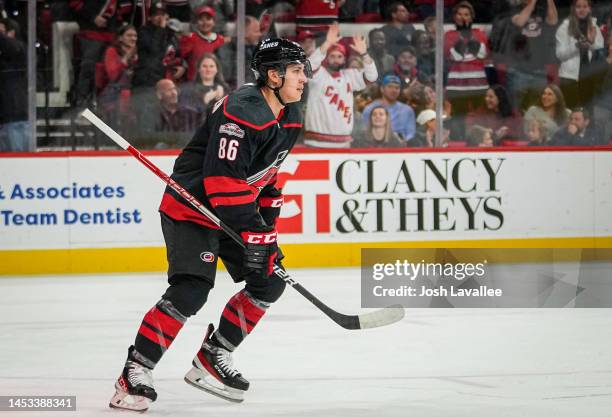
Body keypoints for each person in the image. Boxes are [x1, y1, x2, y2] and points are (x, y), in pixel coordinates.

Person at [108, 38, 310, 412]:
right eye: (297, 71)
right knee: (191, 290)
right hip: (192, 209)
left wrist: (267, 226)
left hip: (231, 211)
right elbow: (222, 182)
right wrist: (255, 230)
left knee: (270, 281)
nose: (304, 78)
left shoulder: (290, 113)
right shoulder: (243, 109)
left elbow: (264, 175)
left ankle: (212, 359)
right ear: (272, 75)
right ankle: (134, 371)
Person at [303, 23, 378, 148]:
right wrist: (327, 44)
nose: (336, 59)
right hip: (315, 141)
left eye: (339, 56)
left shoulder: (350, 76)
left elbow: (372, 76)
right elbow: (308, 66)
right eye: (332, 56)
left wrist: (364, 54)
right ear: (326, 58)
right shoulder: (318, 74)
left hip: (343, 142)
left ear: (344, 60)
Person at [490, 0, 559, 110]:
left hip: (538, 70)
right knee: (514, 108)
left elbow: (553, 20)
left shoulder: (541, 11)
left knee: (539, 108)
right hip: (518, 71)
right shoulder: (513, 10)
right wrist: (533, 2)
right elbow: (520, 22)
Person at [444, 1, 490, 141]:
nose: (463, 17)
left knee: (479, 117)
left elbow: (482, 54)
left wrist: (468, 40)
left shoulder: (480, 33)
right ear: (454, 17)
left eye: (466, 14)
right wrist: (468, 44)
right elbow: (455, 56)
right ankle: (458, 144)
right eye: (459, 14)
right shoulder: (449, 35)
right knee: (458, 118)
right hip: (456, 85)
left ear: (471, 17)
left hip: (479, 84)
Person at [556, 0, 604, 109]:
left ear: (589, 8)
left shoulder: (593, 26)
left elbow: (599, 46)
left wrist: (591, 42)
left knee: (588, 113)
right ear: (573, 8)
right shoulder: (564, 27)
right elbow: (560, 54)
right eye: (578, 6)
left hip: (587, 76)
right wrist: (576, 46)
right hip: (569, 77)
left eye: (585, 6)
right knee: (570, 113)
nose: (582, 9)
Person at [97, 24, 139, 135]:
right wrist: (126, 58)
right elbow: (113, 75)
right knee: (126, 95)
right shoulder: (112, 51)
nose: (133, 38)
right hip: (114, 91)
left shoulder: (139, 53)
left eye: (135, 36)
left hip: (135, 90)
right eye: (129, 35)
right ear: (120, 38)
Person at [0, 17, 28, 152]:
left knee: (18, 167)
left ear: (12, 33)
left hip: (15, 118)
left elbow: (11, 47)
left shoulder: (19, 49)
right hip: (5, 117)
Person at [363, 74, 416, 142]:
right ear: (382, 89)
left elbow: (410, 134)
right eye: (390, 87)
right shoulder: (370, 109)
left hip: (401, 148)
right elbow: (366, 133)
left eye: (397, 88)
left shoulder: (407, 110)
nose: (394, 90)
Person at [180, 5, 226, 81]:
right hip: (195, 82)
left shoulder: (220, 39)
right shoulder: (190, 38)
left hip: (215, 82)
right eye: (201, 19)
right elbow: (181, 59)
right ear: (196, 22)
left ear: (214, 22)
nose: (205, 23)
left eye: (208, 19)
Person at [216, 15, 262, 89]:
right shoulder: (224, 50)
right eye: (256, 31)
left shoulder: (257, 50)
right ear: (244, 32)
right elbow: (226, 78)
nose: (260, 34)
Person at [180, 53, 228, 117]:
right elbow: (186, 114)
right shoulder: (187, 88)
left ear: (217, 69)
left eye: (211, 66)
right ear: (198, 69)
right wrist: (205, 101)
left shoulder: (225, 89)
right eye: (204, 66)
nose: (208, 70)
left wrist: (223, 98)